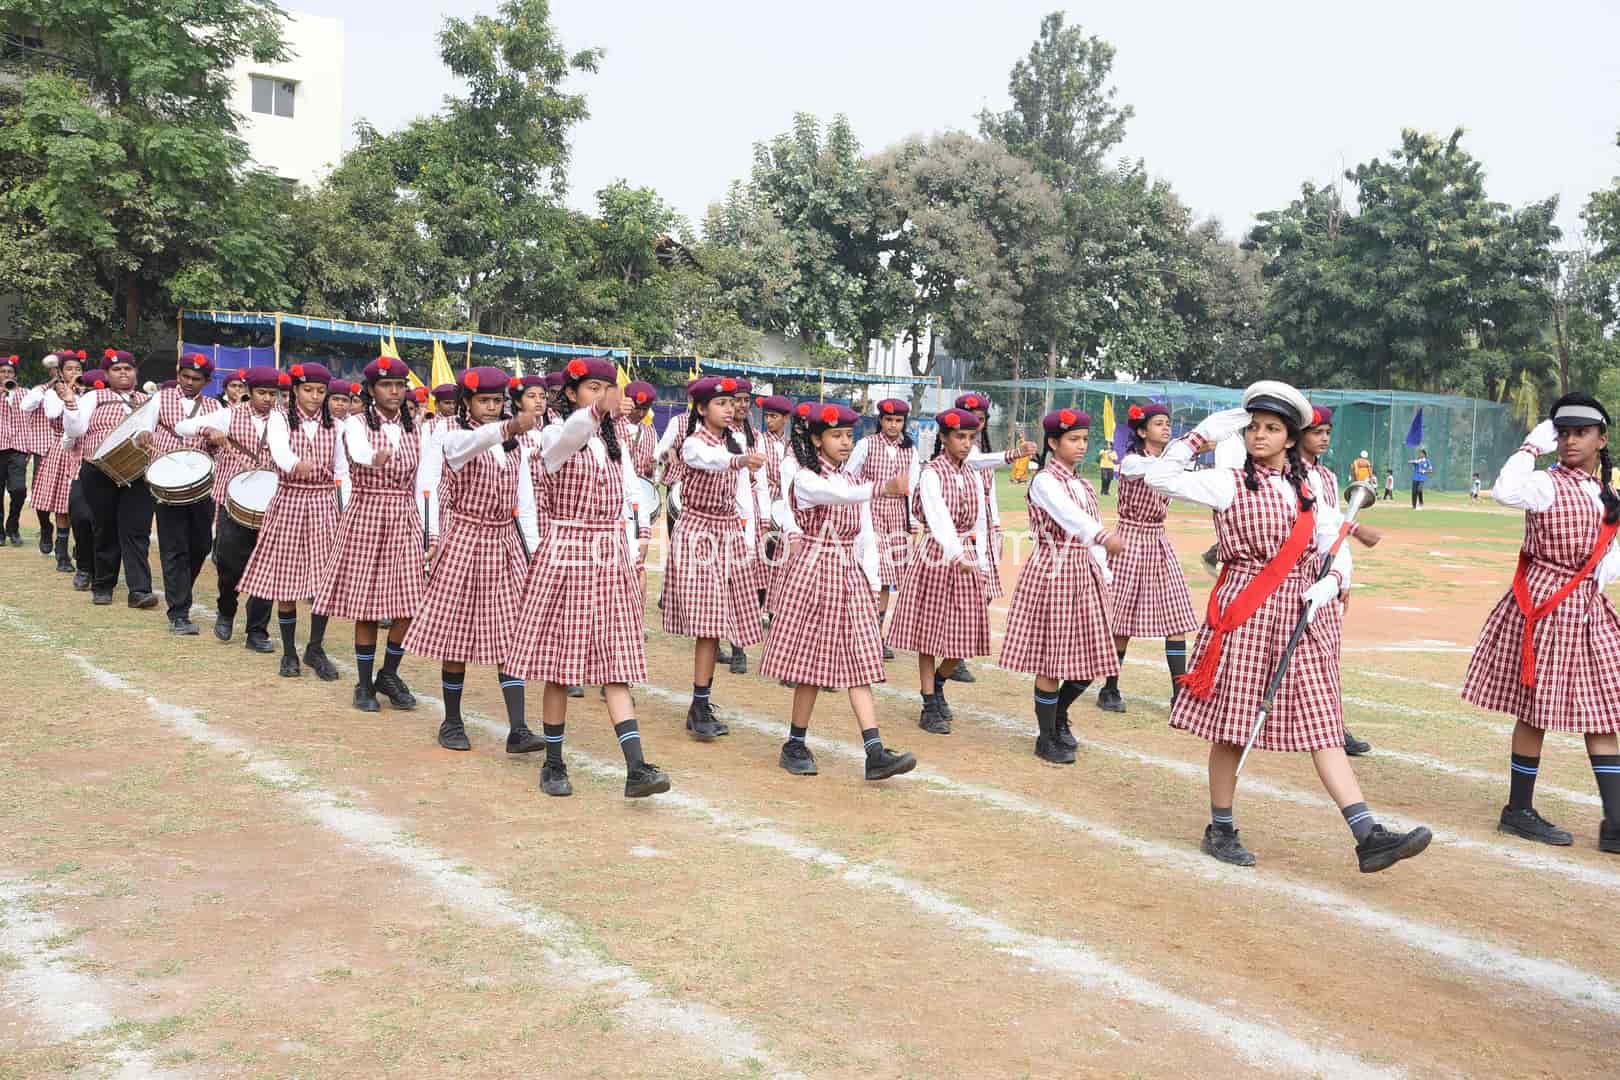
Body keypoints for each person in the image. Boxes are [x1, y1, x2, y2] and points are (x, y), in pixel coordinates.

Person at [1144, 380, 1432, 874]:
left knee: (1324, 722)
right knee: (1234, 729)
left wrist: (1333, 580)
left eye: (1272, 428)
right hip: (1248, 611)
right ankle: (1221, 828)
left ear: (1290, 437)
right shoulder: (1227, 481)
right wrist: (1201, 437)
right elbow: (1160, 478)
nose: (1259, 435)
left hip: (1303, 612)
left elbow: (1331, 541)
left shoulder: (1309, 488)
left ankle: (1367, 835)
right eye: (1253, 427)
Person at [505, 357, 671, 799]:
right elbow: (575, 433)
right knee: (560, 668)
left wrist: (636, 539)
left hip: (608, 554)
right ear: (572, 393)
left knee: (616, 665)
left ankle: (636, 768)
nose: (601, 396)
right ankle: (553, 763)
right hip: (567, 552)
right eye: (592, 388)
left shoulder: (616, 442)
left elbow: (632, 492)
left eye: (606, 388)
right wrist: (598, 410)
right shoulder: (556, 434)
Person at [1461, 394, 1620, 853]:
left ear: (1601, 439)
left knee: (1603, 709)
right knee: (1535, 710)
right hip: (1545, 607)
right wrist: (1532, 445)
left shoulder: (1607, 494)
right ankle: (1518, 810)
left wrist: (1595, 580)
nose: (1570, 441)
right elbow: (1505, 490)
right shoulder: (1544, 483)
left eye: (1581, 433)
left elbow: (1611, 555)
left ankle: (1615, 821)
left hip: (1586, 607)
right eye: (1564, 433)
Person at [762, 401, 917, 781]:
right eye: (836, 435)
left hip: (848, 574)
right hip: (814, 572)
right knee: (810, 665)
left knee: (860, 661)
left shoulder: (850, 479)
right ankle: (795, 743)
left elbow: (864, 532)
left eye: (849, 435)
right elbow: (833, 495)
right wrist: (882, 488)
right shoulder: (806, 478)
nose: (846, 442)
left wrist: (872, 579)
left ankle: (875, 751)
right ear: (817, 439)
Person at [401, 366, 546, 755]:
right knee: (457, 636)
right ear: (467, 402)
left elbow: (525, 504)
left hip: (504, 542)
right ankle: (452, 721)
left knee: (511, 634)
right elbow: (470, 446)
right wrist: (431, 534)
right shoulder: (452, 436)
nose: (491, 407)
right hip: (465, 539)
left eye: (497, 401)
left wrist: (533, 552)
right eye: (484, 401)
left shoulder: (516, 446)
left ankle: (518, 728)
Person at [1000, 409, 1123, 764]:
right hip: (1053, 572)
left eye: (1084, 439)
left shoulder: (1084, 484)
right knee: (1051, 660)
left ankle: (1059, 715)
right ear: (1053, 443)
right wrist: (1102, 535)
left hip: (1084, 570)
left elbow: (1088, 526)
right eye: (1073, 439)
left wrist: (1104, 569)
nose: (1081, 445)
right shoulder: (1044, 481)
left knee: (1094, 656)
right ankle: (1046, 736)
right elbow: (1071, 517)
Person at [315, 356, 426, 713]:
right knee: (366, 607)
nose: (394, 391)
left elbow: (424, 479)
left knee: (410, 604)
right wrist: (373, 458)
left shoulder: (417, 428)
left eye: (399, 385)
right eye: (386, 385)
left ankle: (388, 673)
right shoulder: (356, 423)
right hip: (367, 514)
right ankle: (363, 684)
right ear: (372, 389)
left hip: (404, 516)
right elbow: (359, 452)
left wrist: (429, 530)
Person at [663, 376, 766, 740]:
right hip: (698, 533)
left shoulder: (734, 441)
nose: (729, 408)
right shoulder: (694, 442)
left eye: (731, 403)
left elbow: (742, 495)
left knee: (721, 621)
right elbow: (706, 459)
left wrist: (747, 537)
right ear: (702, 408)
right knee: (708, 624)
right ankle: (699, 705)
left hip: (727, 531)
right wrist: (740, 460)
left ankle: (701, 703)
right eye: (720, 403)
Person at [886, 407, 995, 735]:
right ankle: (929, 703)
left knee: (966, 635)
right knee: (929, 636)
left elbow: (980, 521)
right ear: (944, 438)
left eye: (971, 437)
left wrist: (982, 560)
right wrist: (955, 552)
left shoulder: (972, 473)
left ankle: (938, 682)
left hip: (967, 557)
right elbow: (938, 518)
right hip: (937, 555)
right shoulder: (931, 473)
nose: (966, 443)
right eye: (960, 437)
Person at [234, 363, 345, 680]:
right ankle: (289, 653)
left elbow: (342, 469)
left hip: (323, 503)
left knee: (323, 581)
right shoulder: (279, 419)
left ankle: (315, 648)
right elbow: (280, 453)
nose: (315, 396)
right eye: (308, 390)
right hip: (290, 501)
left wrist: (345, 505)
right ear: (295, 390)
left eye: (320, 391)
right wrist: (296, 464)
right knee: (286, 581)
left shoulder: (337, 425)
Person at [174, 365, 282, 648]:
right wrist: (209, 430)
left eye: (272, 394)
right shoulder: (229, 414)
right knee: (229, 563)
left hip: (271, 501)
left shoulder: (283, 419)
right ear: (250, 392)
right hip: (232, 500)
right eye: (262, 393)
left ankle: (257, 631)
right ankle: (226, 611)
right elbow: (182, 426)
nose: (267, 399)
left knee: (267, 566)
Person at [1103, 403, 1199, 714]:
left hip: (1158, 540)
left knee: (1176, 616)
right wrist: (1189, 451)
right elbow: (1150, 469)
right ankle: (1109, 688)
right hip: (1129, 540)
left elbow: (1185, 485)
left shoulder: (1169, 464)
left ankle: (1179, 693)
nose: (1166, 427)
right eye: (1159, 423)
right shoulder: (1132, 461)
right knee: (1121, 620)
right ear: (1142, 431)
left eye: (1167, 423)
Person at [1297, 406, 1380, 758]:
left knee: (1326, 653)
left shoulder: (1328, 477)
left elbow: (1334, 533)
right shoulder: (1290, 472)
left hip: (1323, 572)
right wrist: (1357, 529)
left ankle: (1332, 727)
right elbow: (1318, 518)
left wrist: (1342, 577)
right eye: (1317, 432)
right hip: (1292, 570)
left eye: (1328, 432)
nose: (1324, 438)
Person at [63, 349, 159, 608]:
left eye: (128, 368)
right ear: (106, 374)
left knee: (137, 530)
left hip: (137, 471)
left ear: (136, 373)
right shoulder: (94, 397)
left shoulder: (149, 400)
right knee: (104, 528)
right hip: (99, 470)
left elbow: (151, 429)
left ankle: (139, 591)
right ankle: (103, 585)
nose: (123, 373)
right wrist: (70, 404)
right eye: (116, 370)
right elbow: (76, 429)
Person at [138, 353, 223, 634]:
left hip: (202, 484)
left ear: (207, 382)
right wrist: (143, 436)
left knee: (201, 545)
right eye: (184, 376)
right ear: (178, 374)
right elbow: (142, 430)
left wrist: (216, 439)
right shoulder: (159, 399)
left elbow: (219, 444)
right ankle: (179, 612)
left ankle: (181, 590)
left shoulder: (214, 406)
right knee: (174, 547)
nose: (188, 382)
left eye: (196, 379)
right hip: (168, 483)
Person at [845, 398, 920, 660]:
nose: (893, 425)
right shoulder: (866, 445)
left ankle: (876, 635)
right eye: (888, 420)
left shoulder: (910, 451)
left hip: (897, 517)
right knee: (871, 572)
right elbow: (848, 476)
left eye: (898, 421)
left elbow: (913, 487)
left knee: (888, 578)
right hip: (870, 513)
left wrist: (913, 523)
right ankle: (859, 631)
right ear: (880, 420)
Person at [21, 352, 87, 573]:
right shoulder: (51, 394)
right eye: (69, 369)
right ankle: (61, 552)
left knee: (83, 505)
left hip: (85, 449)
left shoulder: (88, 393)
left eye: (78, 369)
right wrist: (67, 394)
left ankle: (81, 546)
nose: (74, 373)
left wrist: (79, 393)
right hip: (62, 449)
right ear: (60, 372)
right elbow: (52, 414)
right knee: (62, 504)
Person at [0, 354, 31, 545]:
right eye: (2, 372)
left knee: (19, 490)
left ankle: (13, 525)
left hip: (19, 447)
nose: (6, 375)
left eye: (10, 372)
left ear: (15, 375)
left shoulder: (26, 394)